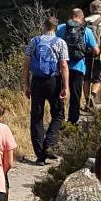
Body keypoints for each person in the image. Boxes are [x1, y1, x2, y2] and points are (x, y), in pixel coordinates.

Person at [23, 15, 69, 166]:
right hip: (53, 81)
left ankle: (40, 156)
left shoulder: (34, 41)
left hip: (37, 80)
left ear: (44, 25)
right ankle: (49, 143)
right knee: (58, 113)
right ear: (56, 27)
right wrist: (65, 86)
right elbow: (63, 65)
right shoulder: (60, 42)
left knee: (36, 116)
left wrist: (26, 84)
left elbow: (26, 63)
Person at [60, 8, 98, 125]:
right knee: (75, 95)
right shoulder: (86, 30)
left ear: (70, 16)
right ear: (81, 18)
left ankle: (59, 119)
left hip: (62, 67)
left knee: (61, 94)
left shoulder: (61, 28)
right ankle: (72, 121)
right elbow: (96, 51)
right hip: (78, 66)